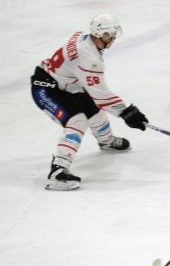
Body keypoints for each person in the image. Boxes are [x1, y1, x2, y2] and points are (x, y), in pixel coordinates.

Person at [29, 14, 149, 190]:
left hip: (67, 85)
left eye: (114, 35)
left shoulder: (84, 39)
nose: (113, 39)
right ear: (100, 35)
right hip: (46, 89)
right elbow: (101, 95)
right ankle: (58, 171)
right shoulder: (89, 58)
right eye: (110, 35)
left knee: (94, 110)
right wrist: (128, 113)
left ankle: (106, 141)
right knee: (77, 121)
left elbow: (97, 97)